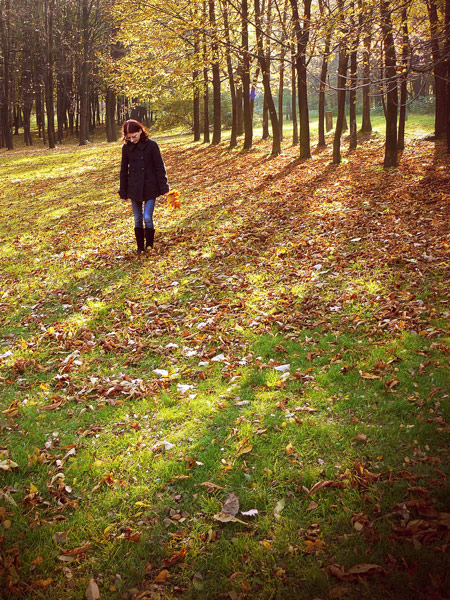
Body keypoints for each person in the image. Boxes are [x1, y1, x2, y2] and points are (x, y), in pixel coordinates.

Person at [118, 119, 170, 253]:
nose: (132, 140)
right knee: (137, 218)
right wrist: (123, 191)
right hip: (134, 188)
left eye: (134, 136)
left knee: (147, 216)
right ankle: (140, 247)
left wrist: (164, 187)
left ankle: (149, 245)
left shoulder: (152, 145)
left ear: (141, 131)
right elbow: (124, 170)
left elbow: (159, 167)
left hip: (150, 186)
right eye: (128, 138)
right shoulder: (126, 148)